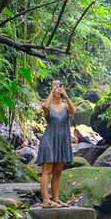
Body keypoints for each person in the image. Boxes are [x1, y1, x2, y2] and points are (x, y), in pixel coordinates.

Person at [37, 80, 75, 208]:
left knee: (58, 171)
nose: (57, 90)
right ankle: (46, 200)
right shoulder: (49, 105)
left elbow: (73, 111)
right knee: (47, 170)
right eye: (55, 87)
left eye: (59, 87)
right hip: (50, 139)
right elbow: (45, 107)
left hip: (63, 140)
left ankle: (56, 198)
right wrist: (51, 91)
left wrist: (66, 96)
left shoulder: (65, 106)